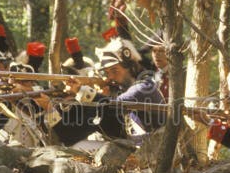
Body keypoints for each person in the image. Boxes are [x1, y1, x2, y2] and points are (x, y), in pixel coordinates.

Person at [35, 38, 164, 146]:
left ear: (130, 67)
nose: (110, 78)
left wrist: (82, 90)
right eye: (107, 73)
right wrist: (50, 109)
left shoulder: (144, 88)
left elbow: (115, 105)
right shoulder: (109, 97)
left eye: (115, 71)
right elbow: (70, 137)